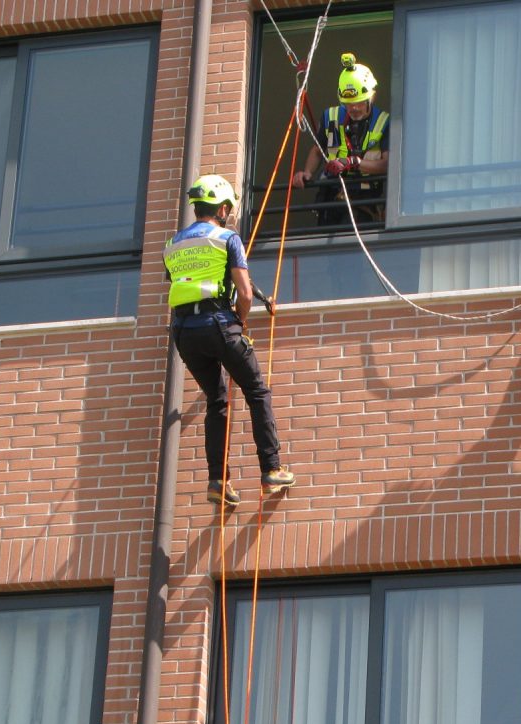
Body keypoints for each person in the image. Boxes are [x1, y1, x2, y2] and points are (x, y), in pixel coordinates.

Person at [163, 174, 295, 507]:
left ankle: (218, 481)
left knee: (217, 400)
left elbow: (188, 280)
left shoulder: (173, 243)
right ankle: (271, 469)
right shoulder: (228, 238)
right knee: (256, 390)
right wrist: (241, 320)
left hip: (184, 332)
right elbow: (245, 293)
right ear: (223, 208)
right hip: (219, 324)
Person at [290, 53, 390, 226]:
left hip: (364, 202)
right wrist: (307, 172)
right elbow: (317, 151)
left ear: (371, 97)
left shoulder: (383, 122)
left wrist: (354, 163)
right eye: (348, 103)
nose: (354, 108)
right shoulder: (331, 117)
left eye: (359, 102)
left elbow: (387, 165)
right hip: (332, 198)